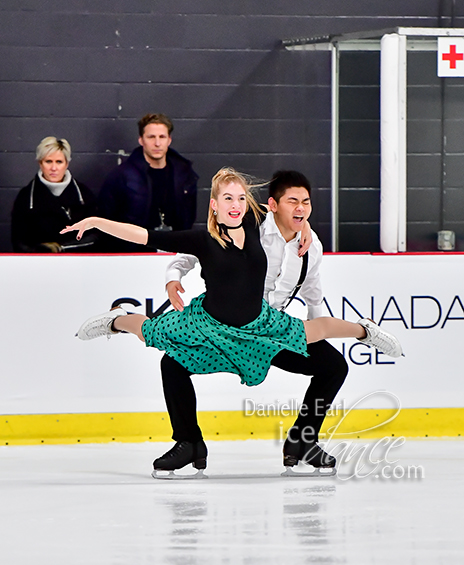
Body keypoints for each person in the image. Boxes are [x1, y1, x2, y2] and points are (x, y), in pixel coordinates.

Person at [61, 167, 403, 475]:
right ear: (214, 205)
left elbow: (296, 230)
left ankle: (306, 436)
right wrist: (96, 222)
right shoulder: (205, 238)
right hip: (211, 327)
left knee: (327, 349)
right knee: (153, 338)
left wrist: (306, 226)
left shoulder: (258, 225)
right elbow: (145, 236)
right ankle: (120, 328)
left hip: (262, 327)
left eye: (241, 197)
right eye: (227, 198)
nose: (236, 203)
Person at [164, 170, 349, 472]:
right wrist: (173, 278)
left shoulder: (311, 246)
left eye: (306, 202)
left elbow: (314, 295)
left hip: (273, 332)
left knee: (333, 367)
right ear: (273, 205)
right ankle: (189, 443)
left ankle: (302, 441)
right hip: (230, 332)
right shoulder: (249, 227)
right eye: (293, 202)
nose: (300, 209)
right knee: (172, 364)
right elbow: (191, 251)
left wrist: (317, 335)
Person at [97, 113, 198, 252]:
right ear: (141, 140)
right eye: (151, 137)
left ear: (169, 140)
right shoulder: (122, 176)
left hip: (175, 252)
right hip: (134, 255)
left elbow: (189, 218)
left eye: (162, 137)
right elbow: (105, 219)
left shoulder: (184, 174)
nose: (157, 143)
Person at [11, 137, 97, 253]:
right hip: (39, 266)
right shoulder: (26, 197)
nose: (53, 168)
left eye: (59, 162)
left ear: (67, 163)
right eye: (48, 161)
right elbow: (18, 241)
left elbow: (96, 236)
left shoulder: (84, 195)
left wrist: (62, 248)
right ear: (40, 163)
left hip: (77, 264)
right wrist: (40, 250)